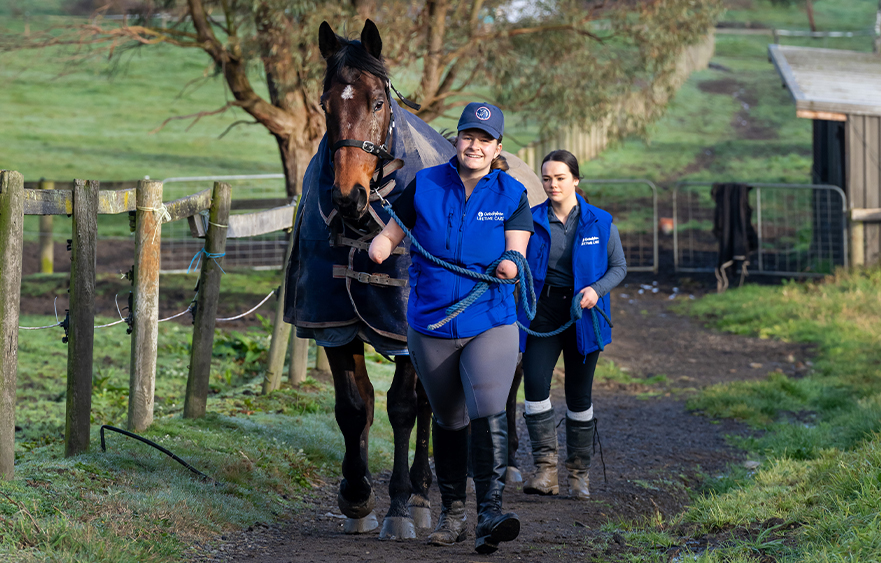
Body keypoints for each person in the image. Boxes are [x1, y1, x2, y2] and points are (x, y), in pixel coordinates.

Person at [368, 102, 532, 553]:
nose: (474, 146)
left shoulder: (511, 193)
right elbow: (395, 229)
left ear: (497, 147)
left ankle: (490, 513)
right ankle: (453, 513)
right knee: (449, 418)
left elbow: (518, 246)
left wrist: (510, 263)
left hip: (488, 317)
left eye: (484, 140)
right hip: (432, 321)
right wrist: (380, 246)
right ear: (456, 141)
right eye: (467, 137)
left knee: (487, 409)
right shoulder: (425, 184)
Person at [518, 150, 626, 500]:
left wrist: (597, 289)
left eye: (560, 178)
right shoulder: (531, 220)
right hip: (543, 312)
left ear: (575, 180)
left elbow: (619, 267)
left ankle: (579, 475)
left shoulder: (600, 221)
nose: (552, 184)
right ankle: (545, 472)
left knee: (579, 396)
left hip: (584, 314)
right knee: (534, 384)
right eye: (547, 178)